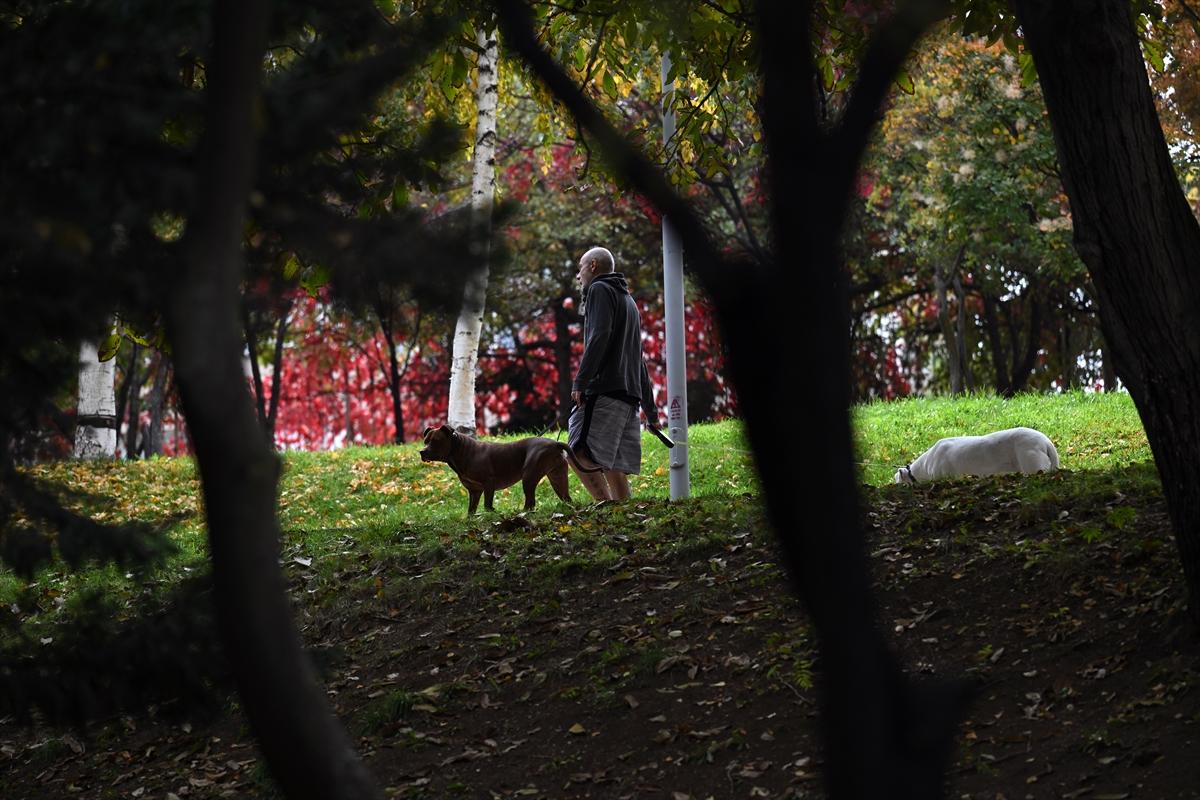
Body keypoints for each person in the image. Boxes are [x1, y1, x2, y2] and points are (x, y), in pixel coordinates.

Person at [567, 246, 661, 501]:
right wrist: (651, 413)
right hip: (629, 396)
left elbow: (599, 336)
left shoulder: (599, 289)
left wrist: (582, 381)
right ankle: (623, 518)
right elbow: (638, 359)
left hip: (605, 390)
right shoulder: (629, 301)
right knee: (614, 465)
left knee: (576, 451)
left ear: (593, 266)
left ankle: (606, 509)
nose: (578, 276)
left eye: (580, 268)